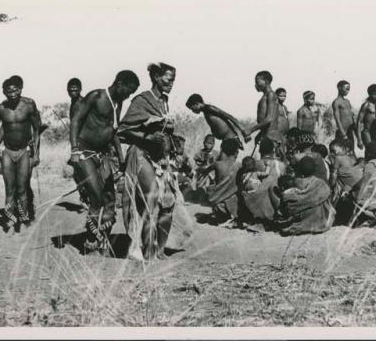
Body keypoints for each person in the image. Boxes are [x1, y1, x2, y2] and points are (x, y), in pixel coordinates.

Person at [69, 70, 140, 254]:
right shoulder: (96, 96)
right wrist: (74, 149)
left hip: (103, 154)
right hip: (84, 152)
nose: (129, 95)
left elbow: (112, 131)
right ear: (119, 83)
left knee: (109, 202)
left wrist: (121, 159)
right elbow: (75, 120)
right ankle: (91, 242)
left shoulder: (119, 102)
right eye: (128, 90)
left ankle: (102, 240)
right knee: (96, 197)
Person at [117, 63, 179, 261]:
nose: (171, 84)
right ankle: (147, 249)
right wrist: (147, 138)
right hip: (142, 154)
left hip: (162, 159)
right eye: (168, 80)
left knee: (168, 203)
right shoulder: (142, 100)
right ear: (156, 77)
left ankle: (159, 249)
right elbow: (123, 129)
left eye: (173, 81)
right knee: (150, 198)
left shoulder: (164, 101)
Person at [0, 77, 41, 231]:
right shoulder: (0, 109)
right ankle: (10, 219)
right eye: (8, 91)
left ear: (20, 89)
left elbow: (37, 129)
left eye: (15, 90)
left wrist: (36, 153)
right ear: (4, 92)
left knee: (22, 188)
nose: (12, 94)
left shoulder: (29, 105)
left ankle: (23, 220)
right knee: (10, 188)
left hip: (24, 151)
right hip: (8, 152)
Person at [275, 156, 335, 236]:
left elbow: (290, 197)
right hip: (322, 221)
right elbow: (327, 194)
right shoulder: (320, 183)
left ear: (300, 172)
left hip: (304, 217)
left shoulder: (296, 182)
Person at [241, 137, 286, 224]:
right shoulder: (281, 164)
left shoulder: (257, 163)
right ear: (273, 150)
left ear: (260, 151)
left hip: (263, 205)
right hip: (279, 201)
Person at [185, 94, 249, 149]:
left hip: (231, 139)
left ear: (197, 104)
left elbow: (229, 116)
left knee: (222, 162)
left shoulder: (209, 108)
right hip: (226, 140)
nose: (192, 111)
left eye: (192, 108)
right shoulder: (206, 112)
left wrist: (243, 131)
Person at [244, 71, 284, 159]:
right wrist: (260, 134)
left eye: (257, 81)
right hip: (266, 136)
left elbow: (269, 118)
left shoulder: (271, 95)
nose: (256, 84)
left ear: (266, 81)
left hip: (272, 138)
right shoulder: (266, 96)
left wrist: (251, 130)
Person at [205, 139, 242, 225]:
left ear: (222, 151)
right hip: (236, 205)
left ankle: (223, 215)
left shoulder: (218, 164)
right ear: (236, 152)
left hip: (219, 206)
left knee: (210, 187)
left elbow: (204, 171)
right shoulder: (239, 165)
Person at [65, 77, 89, 208]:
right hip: (77, 141)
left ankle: (86, 196)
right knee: (76, 171)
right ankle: (85, 195)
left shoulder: (81, 103)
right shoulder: (73, 103)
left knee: (80, 170)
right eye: (70, 90)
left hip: (83, 141)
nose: (73, 92)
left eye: (75, 89)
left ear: (80, 90)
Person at [356, 84, 376, 149]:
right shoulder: (366, 105)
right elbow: (359, 122)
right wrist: (359, 139)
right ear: (370, 94)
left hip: (374, 132)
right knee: (370, 151)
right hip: (367, 132)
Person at [332, 80, 357, 148]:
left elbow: (352, 117)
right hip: (342, 132)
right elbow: (337, 119)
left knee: (351, 151)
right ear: (339, 88)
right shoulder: (336, 102)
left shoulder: (347, 101)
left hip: (350, 131)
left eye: (349, 89)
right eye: (346, 88)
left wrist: (356, 132)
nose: (347, 91)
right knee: (342, 152)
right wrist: (343, 134)